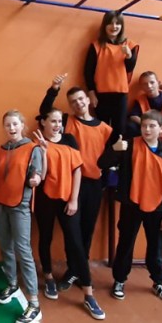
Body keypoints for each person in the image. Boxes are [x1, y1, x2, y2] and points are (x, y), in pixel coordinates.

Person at [40, 74, 113, 291]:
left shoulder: (105, 128)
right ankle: (73, 270)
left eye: (81, 99)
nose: (78, 103)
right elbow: (45, 111)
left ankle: (78, 271)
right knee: (73, 231)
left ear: (88, 100)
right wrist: (54, 89)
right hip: (71, 184)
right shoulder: (67, 122)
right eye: (73, 101)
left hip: (94, 185)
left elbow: (110, 156)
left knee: (87, 229)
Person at [99, 111, 162, 303]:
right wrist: (114, 149)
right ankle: (119, 280)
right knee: (125, 244)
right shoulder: (128, 145)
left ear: (161, 129)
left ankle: (159, 282)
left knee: (156, 247)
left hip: (158, 207)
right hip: (131, 205)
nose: (147, 129)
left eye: (152, 126)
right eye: (144, 126)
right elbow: (102, 163)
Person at [32, 110, 105, 320]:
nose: (57, 125)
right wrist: (43, 151)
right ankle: (48, 277)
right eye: (53, 121)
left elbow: (77, 170)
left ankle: (88, 294)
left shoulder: (70, 140)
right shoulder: (36, 143)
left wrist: (73, 200)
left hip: (67, 199)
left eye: (59, 121)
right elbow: (41, 174)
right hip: (45, 199)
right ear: (44, 122)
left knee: (76, 243)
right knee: (45, 237)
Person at [0, 110, 44, 323]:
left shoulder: (33, 148)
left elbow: (37, 173)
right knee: (5, 247)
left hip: (20, 206)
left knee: (23, 250)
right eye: (7, 124)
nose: (11, 128)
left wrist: (36, 178)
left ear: (22, 125)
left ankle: (34, 304)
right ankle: (12, 284)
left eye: (15, 124)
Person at [84, 10, 139, 139]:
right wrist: (91, 92)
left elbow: (130, 69)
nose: (114, 26)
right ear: (105, 25)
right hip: (101, 94)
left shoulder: (130, 45)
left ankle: (116, 152)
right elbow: (88, 71)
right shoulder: (96, 45)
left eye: (117, 23)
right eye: (110, 23)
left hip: (120, 95)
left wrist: (129, 56)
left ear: (122, 26)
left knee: (119, 130)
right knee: (102, 129)